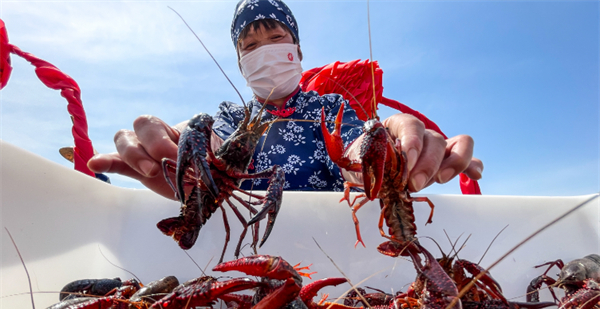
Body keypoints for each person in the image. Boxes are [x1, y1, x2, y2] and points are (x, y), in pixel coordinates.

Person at [88, 0, 483, 200]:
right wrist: (181, 161)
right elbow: (207, 143)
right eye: (250, 46)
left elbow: (355, 145)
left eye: (276, 39)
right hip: (245, 258)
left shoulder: (331, 108)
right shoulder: (229, 118)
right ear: (241, 64)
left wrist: (386, 157)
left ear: (297, 49)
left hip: (330, 251)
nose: (265, 51)